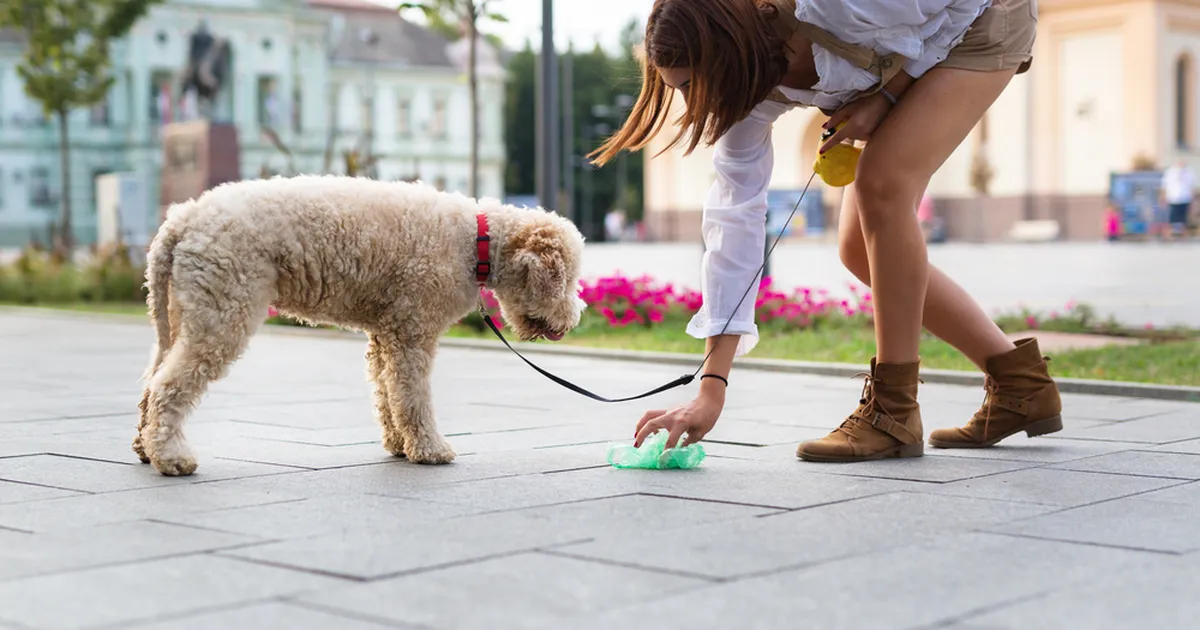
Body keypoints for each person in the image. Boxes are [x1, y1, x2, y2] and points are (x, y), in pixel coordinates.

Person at [589, 0, 1063, 462]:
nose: (694, 102)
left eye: (693, 83)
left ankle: (893, 414)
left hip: (981, 18)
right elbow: (733, 225)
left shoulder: (834, 6)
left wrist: (890, 94)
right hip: (912, 50)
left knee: (882, 181)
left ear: (727, 47)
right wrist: (710, 390)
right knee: (858, 249)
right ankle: (1021, 387)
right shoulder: (747, 94)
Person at [1161, 160, 1194, 240]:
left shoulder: (1189, 172)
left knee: (1184, 219)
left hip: (1185, 198)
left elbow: (1192, 186)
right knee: (1171, 218)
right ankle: (1168, 235)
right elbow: (1164, 186)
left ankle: (1184, 235)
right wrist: (1163, 198)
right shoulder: (1170, 172)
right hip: (1172, 198)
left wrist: (1192, 200)